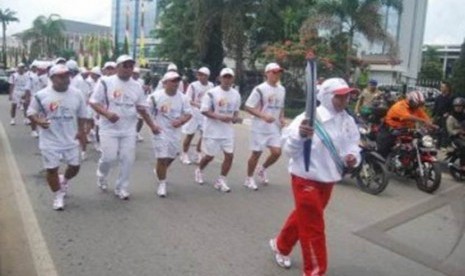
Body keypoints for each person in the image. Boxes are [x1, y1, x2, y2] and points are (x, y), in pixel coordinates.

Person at [270, 78, 360, 275]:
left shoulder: (347, 120)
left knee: (303, 218)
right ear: (327, 97)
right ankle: (315, 271)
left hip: (328, 180)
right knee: (314, 228)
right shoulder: (307, 119)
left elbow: (352, 143)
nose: (345, 100)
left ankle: (281, 245)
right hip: (305, 179)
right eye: (340, 96)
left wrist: (352, 157)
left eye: (347, 96)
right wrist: (300, 136)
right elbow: (289, 151)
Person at [89, 55, 159, 200]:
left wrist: (152, 125)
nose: (128, 69)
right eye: (125, 66)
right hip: (109, 128)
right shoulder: (105, 82)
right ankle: (102, 175)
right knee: (108, 157)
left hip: (128, 129)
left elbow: (142, 108)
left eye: (130, 66)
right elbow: (93, 102)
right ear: (117, 67)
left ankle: (122, 187)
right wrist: (107, 114)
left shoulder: (137, 86)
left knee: (127, 159)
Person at [26, 64, 87, 210]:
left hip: (70, 138)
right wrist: (38, 121)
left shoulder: (77, 94)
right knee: (52, 170)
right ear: (52, 78)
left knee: (75, 167)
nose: (65, 78)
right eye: (61, 76)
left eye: (67, 75)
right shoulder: (41, 95)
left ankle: (64, 180)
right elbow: (30, 112)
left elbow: (82, 115)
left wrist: (81, 132)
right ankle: (58, 194)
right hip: (50, 140)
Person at [194, 68, 242, 193]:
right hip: (212, 131)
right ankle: (199, 170)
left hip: (227, 132)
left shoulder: (236, 94)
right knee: (209, 156)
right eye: (224, 77)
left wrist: (235, 118)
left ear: (233, 79)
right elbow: (204, 110)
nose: (227, 80)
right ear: (220, 78)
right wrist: (220, 117)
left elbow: (236, 110)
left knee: (230, 156)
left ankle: (221, 180)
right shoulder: (211, 93)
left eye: (229, 77)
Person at [147, 71, 192, 197]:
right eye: (173, 81)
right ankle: (162, 183)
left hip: (174, 132)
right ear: (165, 83)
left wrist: (181, 121)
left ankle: (160, 170)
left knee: (171, 156)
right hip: (160, 131)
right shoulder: (155, 97)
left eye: (177, 81)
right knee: (162, 157)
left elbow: (188, 113)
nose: (176, 83)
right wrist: (152, 126)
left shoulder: (183, 98)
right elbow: (146, 112)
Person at [243, 62, 286, 190]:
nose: (277, 74)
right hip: (260, 127)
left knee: (277, 152)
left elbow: (281, 106)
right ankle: (249, 178)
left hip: (274, 127)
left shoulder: (282, 89)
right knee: (256, 153)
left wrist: (282, 118)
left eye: (279, 72)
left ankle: (262, 169)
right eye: (274, 72)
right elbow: (248, 106)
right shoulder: (260, 89)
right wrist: (263, 116)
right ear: (267, 73)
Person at [377, 90, 437, 158]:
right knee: (383, 152)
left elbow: (426, 118)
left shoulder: (416, 108)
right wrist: (423, 121)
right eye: (416, 104)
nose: (418, 106)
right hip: (390, 131)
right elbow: (407, 116)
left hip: (406, 131)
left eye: (419, 104)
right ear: (410, 101)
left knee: (420, 145)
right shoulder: (399, 106)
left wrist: (433, 126)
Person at [180, 67, 214, 164]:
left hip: (205, 114)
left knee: (204, 135)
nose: (201, 77)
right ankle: (184, 154)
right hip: (194, 112)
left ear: (207, 76)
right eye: (199, 74)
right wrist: (198, 105)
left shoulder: (211, 86)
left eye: (203, 75)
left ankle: (198, 152)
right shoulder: (193, 85)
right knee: (190, 134)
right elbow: (188, 99)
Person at [432, 80, 454, 148]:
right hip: (438, 117)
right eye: (441, 87)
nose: (441, 88)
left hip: (447, 118)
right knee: (437, 132)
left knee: (445, 133)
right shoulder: (438, 97)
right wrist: (432, 116)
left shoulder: (451, 97)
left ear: (447, 88)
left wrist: (449, 113)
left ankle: (443, 146)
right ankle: (437, 145)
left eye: (442, 87)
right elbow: (435, 108)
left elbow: (454, 109)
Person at [446, 97, 465, 170]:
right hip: (454, 138)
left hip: (463, 136)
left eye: (460, 106)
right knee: (464, 146)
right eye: (456, 106)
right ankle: (463, 165)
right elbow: (450, 130)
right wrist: (459, 131)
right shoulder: (451, 118)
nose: (458, 108)